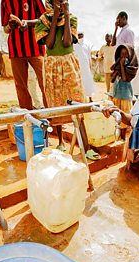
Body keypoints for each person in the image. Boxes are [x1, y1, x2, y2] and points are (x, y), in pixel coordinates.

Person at [35, 0, 100, 160]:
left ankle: (86, 147)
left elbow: (66, 42)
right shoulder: (42, 20)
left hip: (69, 63)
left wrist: (65, 13)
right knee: (55, 103)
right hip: (52, 66)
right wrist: (56, 15)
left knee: (77, 102)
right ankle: (61, 143)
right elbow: (49, 44)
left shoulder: (72, 18)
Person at [1, 0, 48, 110]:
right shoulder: (5, 2)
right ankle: (28, 119)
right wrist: (9, 26)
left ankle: (52, 118)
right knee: (21, 87)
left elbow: (45, 19)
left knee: (46, 84)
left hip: (36, 48)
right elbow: (5, 29)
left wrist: (28, 23)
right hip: (16, 49)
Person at [110, 44, 137, 115]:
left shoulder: (128, 64)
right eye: (122, 53)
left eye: (126, 54)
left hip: (125, 94)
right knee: (117, 110)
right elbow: (112, 68)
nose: (123, 56)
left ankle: (124, 125)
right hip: (117, 91)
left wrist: (121, 65)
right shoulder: (120, 60)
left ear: (129, 54)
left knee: (124, 112)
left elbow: (124, 78)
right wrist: (118, 62)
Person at [74, 32, 96, 102]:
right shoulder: (74, 45)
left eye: (82, 35)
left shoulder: (87, 45)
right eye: (79, 35)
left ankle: (90, 98)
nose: (80, 36)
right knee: (79, 83)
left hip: (86, 67)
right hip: (78, 67)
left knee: (88, 82)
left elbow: (89, 57)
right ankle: (80, 99)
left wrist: (90, 66)